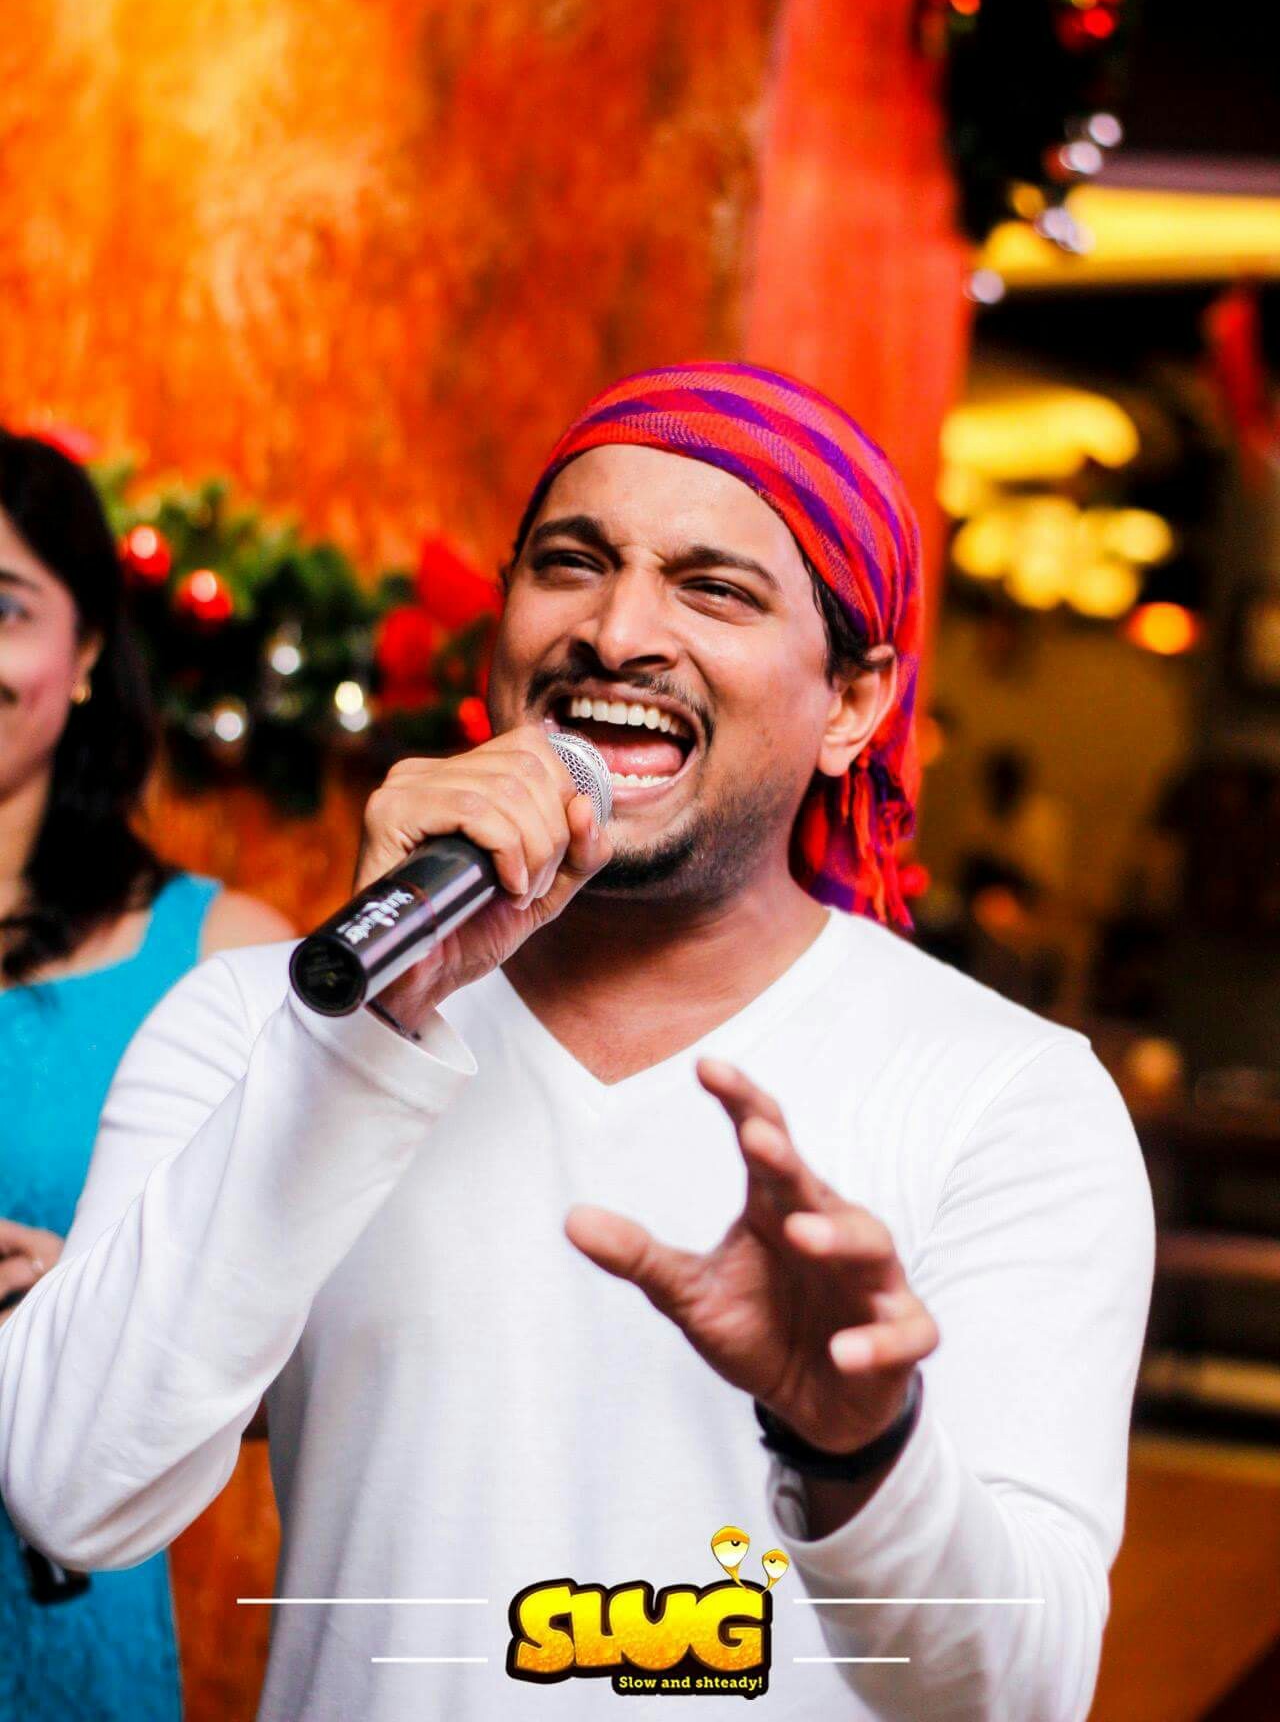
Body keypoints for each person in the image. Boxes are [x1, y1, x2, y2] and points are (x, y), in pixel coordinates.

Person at [0, 366, 1154, 1721]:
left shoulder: (1009, 1099)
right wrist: (364, 1027)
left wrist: (861, 1454)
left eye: (714, 589)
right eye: (571, 564)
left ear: (851, 702)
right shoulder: (261, 1020)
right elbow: (74, 1496)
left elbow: (1024, 1691)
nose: (617, 632)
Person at [0, 428, 292, 1722]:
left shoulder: (222, 958)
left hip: (57, 1631)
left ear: (86, 655)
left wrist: (105, 1312)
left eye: (4, 609)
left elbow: (321, 1358)